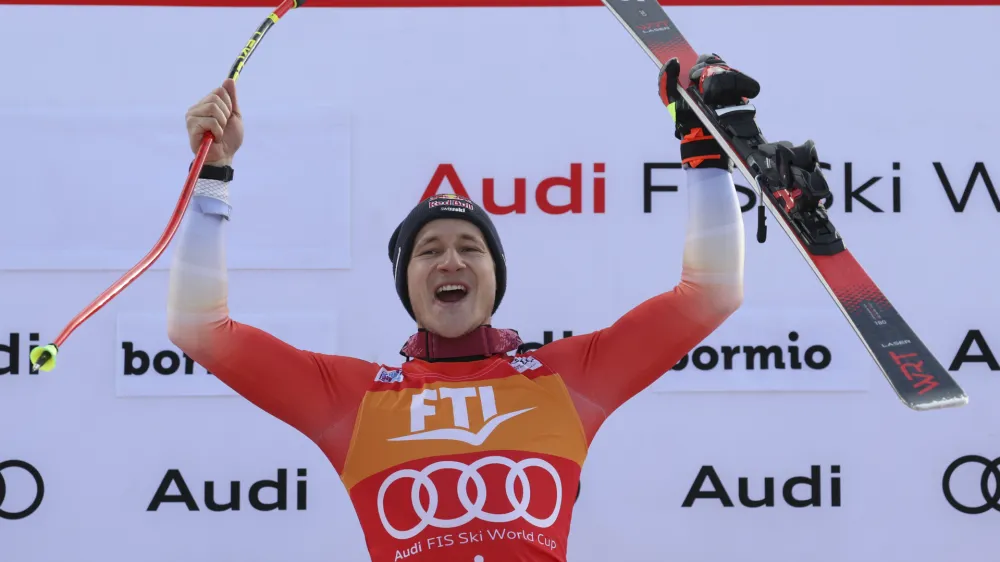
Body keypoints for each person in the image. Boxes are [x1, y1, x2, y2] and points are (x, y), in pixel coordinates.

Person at [168, 54, 754, 562]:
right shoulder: (355, 398)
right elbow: (199, 329)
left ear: (496, 279)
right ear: (407, 284)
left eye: (470, 247)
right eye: (429, 251)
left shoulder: (567, 378)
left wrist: (705, 157)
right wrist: (212, 177)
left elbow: (710, 294)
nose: (451, 261)